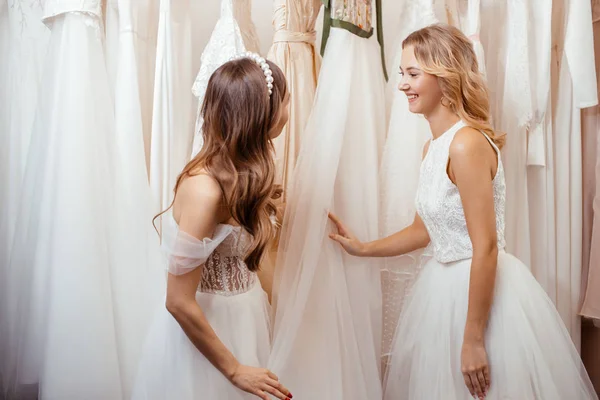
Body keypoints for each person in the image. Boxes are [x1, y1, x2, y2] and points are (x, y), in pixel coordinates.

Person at [329, 24, 598, 400]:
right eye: (403, 74)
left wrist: (472, 339)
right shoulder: (433, 148)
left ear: (445, 76)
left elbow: (485, 247)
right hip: (442, 292)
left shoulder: (466, 144)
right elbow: (424, 231)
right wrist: (363, 248)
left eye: (413, 74)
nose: (402, 85)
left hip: (480, 296)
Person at [132, 53, 292, 400]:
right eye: (285, 100)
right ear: (261, 114)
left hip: (246, 318)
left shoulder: (247, 172)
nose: (288, 111)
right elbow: (177, 300)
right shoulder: (205, 189)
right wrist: (234, 370)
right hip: (209, 335)